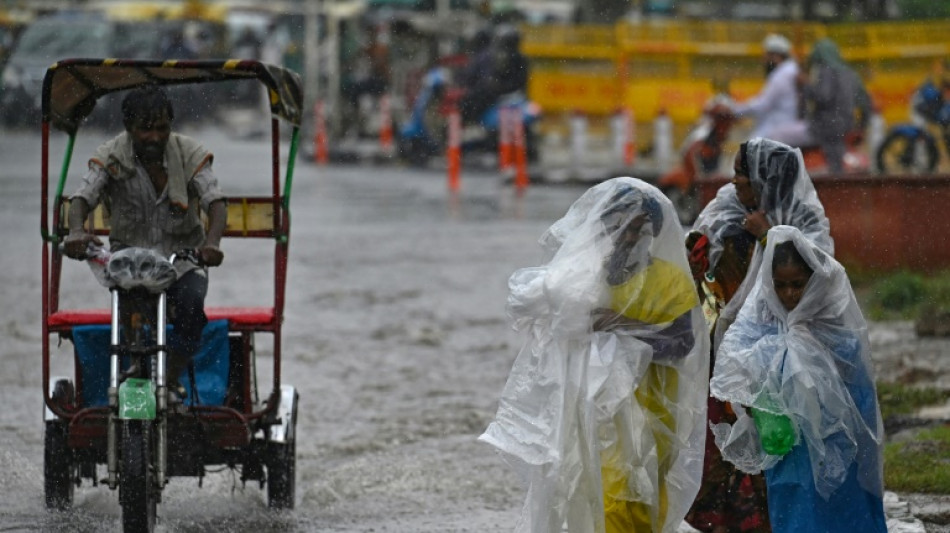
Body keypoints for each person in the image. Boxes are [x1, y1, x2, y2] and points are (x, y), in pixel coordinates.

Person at [480, 177, 709, 533]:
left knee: (638, 499)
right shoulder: (586, 276)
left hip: (652, 415)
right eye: (620, 227)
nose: (629, 237)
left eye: (638, 229)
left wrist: (621, 324)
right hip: (593, 414)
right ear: (605, 226)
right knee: (598, 497)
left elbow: (682, 343)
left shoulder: (670, 281)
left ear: (654, 233)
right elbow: (542, 317)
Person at [684, 137, 833, 533]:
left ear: (765, 180)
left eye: (742, 174)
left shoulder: (805, 222)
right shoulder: (726, 210)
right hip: (728, 350)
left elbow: (820, 281)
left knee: (781, 444)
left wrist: (771, 236)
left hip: (785, 359)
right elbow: (700, 272)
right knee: (725, 447)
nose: (734, 182)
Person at [709, 225, 887, 533]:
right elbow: (734, 355)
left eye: (797, 284)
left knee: (839, 504)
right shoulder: (765, 315)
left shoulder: (830, 318)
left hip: (835, 436)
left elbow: (853, 375)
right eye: (780, 285)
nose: (789, 294)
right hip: (789, 442)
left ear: (814, 281)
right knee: (796, 507)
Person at [62, 85, 227, 399]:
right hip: (130, 259)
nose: (154, 137)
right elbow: (83, 198)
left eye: (162, 128)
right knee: (128, 304)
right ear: (129, 128)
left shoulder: (189, 152)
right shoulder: (111, 154)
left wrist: (213, 243)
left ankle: (173, 375)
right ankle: (134, 366)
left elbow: (215, 202)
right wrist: (75, 232)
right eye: (145, 129)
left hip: (182, 259)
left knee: (192, 309)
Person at [774, 38, 872, 174]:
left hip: (823, 128)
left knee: (776, 135)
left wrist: (805, 85)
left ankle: (783, 176)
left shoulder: (825, 71)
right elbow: (866, 104)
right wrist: (861, 127)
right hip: (846, 126)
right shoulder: (851, 74)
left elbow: (823, 97)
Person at [731, 34, 801, 143]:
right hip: (783, 123)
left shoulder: (781, 75)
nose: (764, 60)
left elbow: (762, 104)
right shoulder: (790, 70)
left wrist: (735, 111)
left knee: (746, 151)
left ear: (776, 56)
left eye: (767, 56)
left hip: (778, 126)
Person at [459, 25, 529, 124]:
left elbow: (477, 80)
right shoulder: (496, 56)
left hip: (497, 96)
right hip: (502, 95)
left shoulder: (489, 56)